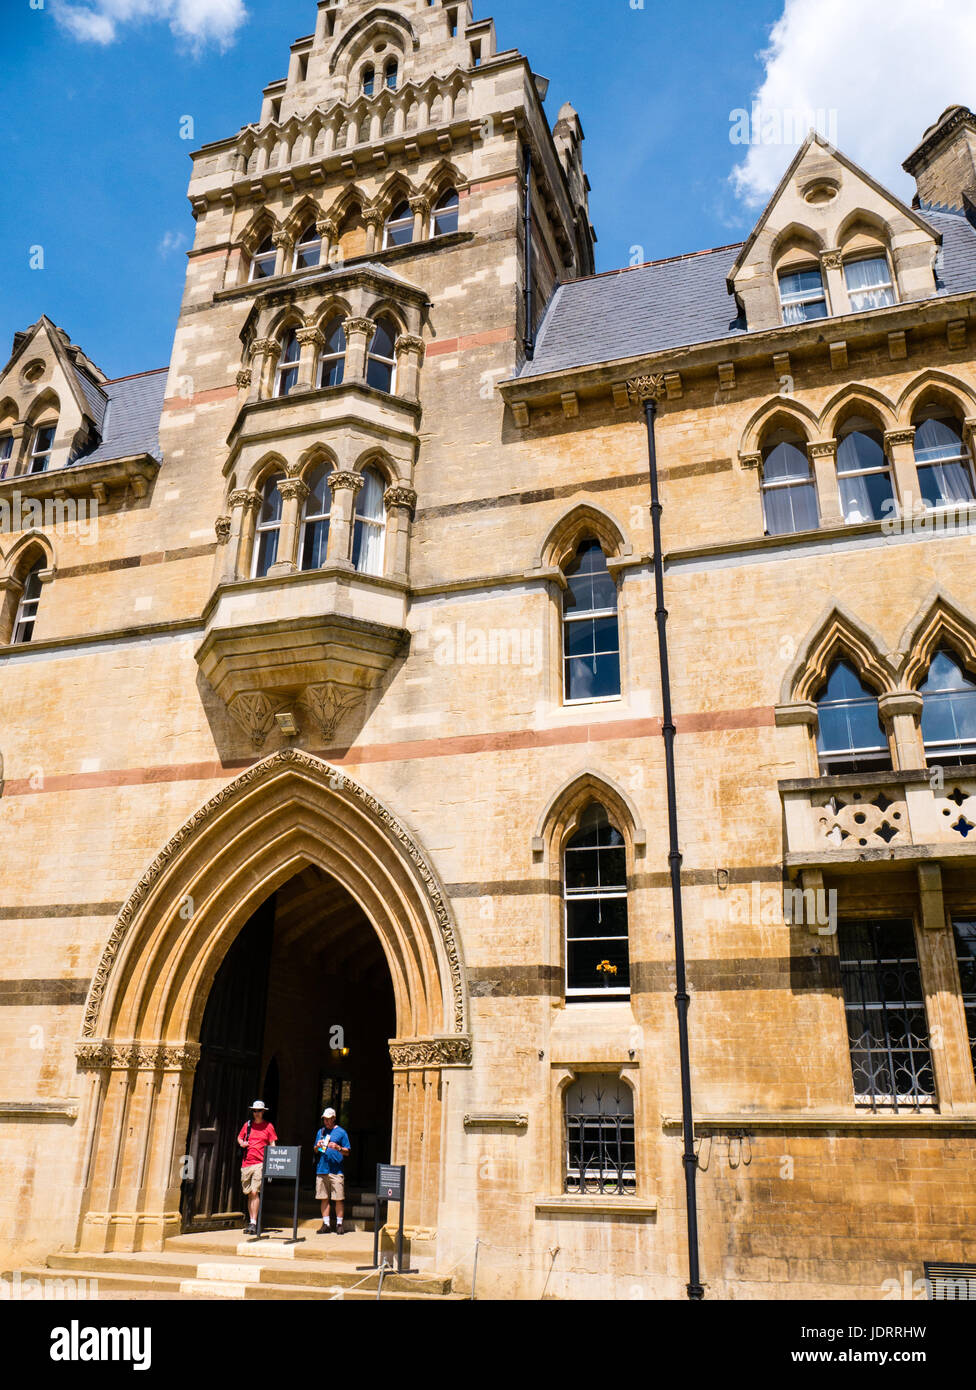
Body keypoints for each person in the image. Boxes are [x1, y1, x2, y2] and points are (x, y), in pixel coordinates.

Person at [237, 1100, 277, 1235]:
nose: (257, 1113)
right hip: (246, 1163)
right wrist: (242, 1143)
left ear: (263, 1112)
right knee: (249, 1193)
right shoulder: (247, 1125)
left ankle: (253, 1222)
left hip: (260, 1163)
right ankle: (251, 1221)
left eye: (259, 1111)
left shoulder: (268, 1126)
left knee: (255, 1192)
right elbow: (239, 1138)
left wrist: (273, 1161)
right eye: (254, 1111)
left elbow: (272, 1144)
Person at [314, 1107, 351, 1235]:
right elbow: (315, 1149)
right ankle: (326, 1224)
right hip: (322, 1168)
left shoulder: (341, 1132)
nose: (327, 1122)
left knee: (338, 1198)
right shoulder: (321, 1131)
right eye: (325, 1119)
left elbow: (347, 1151)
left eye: (329, 1119)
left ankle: (339, 1224)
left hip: (336, 1170)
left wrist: (338, 1147)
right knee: (323, 1197)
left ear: (334, 1118)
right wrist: (318, 1146)